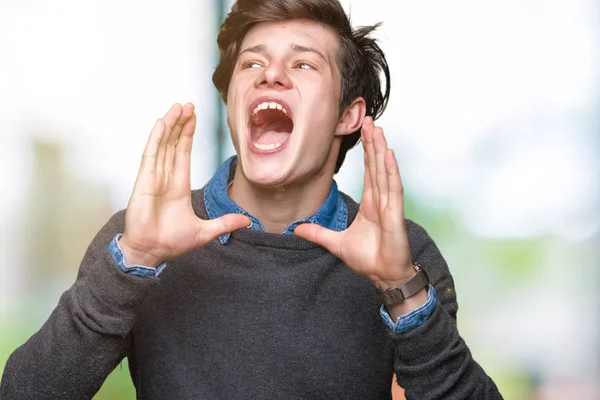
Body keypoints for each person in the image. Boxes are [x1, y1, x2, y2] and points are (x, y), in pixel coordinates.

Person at [1, 0, 503, 398]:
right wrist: (134, 261)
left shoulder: (403, 256)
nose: (270, 74)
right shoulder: (138, 239)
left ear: (348, 116)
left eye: (303, 64)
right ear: (232, 100)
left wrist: (400, 288)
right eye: (252, 63)